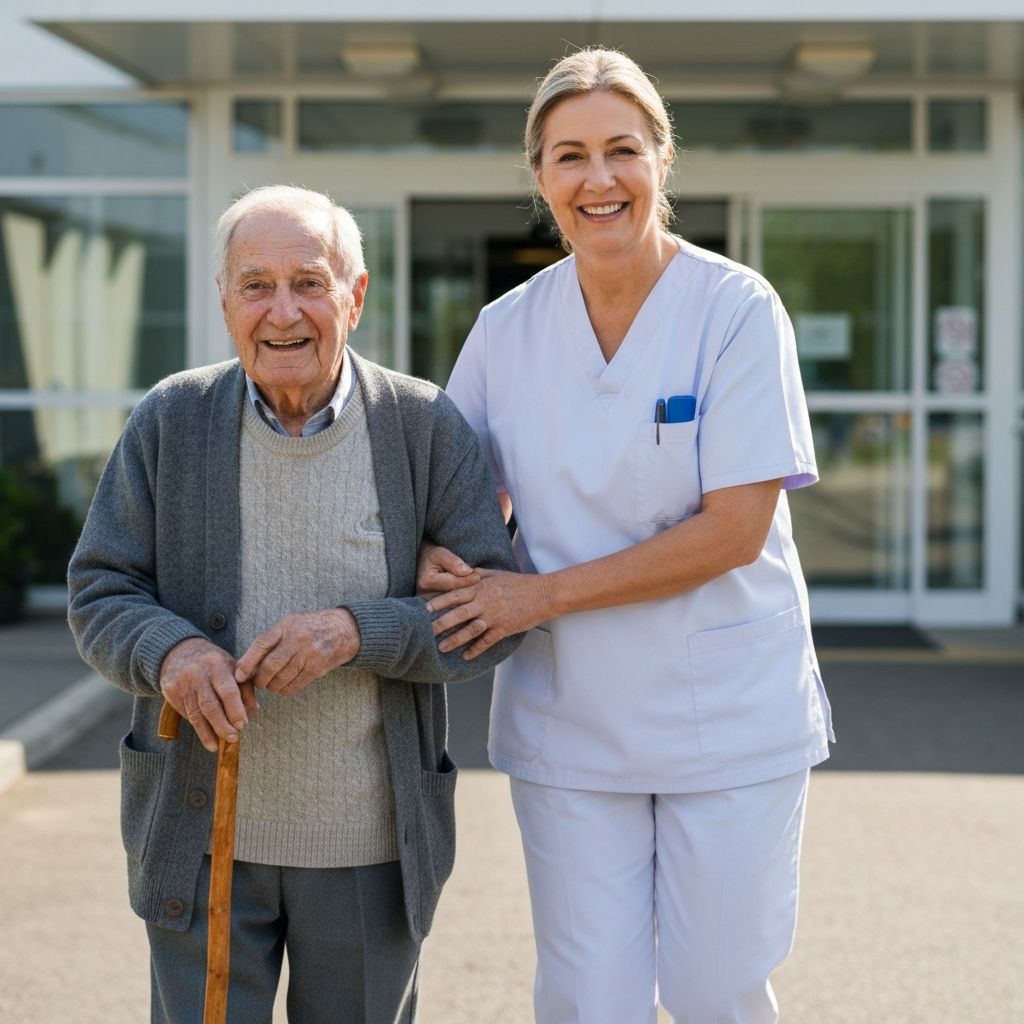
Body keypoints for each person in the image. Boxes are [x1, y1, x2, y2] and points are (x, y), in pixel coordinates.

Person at [420, 49, 835, 1024]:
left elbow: (734, 531)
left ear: (662, 160)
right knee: (586, 999)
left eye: (621, 150)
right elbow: (453, 500)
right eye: (569, 156)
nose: (596, 178)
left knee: (713, 990)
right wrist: (442, 556)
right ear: (540, 180)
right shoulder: (504, 330)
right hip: (573, 722)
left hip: (724, 717)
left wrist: (537, 594)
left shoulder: (734, 311)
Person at [67, 184, 521, 1024]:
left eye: (309, 283)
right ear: (225, 300)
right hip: (201, 843)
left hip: (368, 853)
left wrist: (358, 631)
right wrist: (173, 653)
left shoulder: (424, 427)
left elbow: (490, 621)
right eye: (256, 284)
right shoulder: (171, 419)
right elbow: (100, 587)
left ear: (355, 295)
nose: (283, 311)